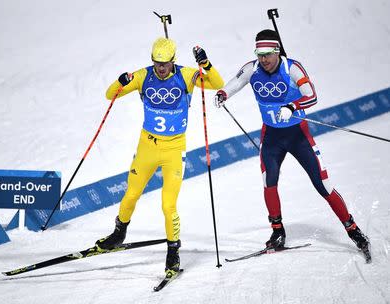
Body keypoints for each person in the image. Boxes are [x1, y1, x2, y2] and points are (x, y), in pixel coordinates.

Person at [213, 29, 370, 253]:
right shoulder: (252, 68)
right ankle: (277, 231)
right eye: (259, 53)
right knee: (269, 182)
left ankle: (353, 229)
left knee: (323, 185)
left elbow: (312, 95)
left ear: (277, 51)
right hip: (272, 138)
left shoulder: (292, 68)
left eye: (267, 54)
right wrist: (222, 94)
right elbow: (235, 83)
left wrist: (293, 106)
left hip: (298, 136)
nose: (263, 59)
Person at [96, 37, 224, 275]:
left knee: (168, 205)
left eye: (164, 64)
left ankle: (173, 251)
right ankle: (118, 233)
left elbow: (217, 83)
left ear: (173, 61)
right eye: (156, 63)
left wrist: (205, 63)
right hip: (147, 146)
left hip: (174, 150)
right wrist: (120, 81)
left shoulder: (186, 75)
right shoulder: (143, 76)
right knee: (131, 193)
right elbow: (109, 94)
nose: (160, 68)